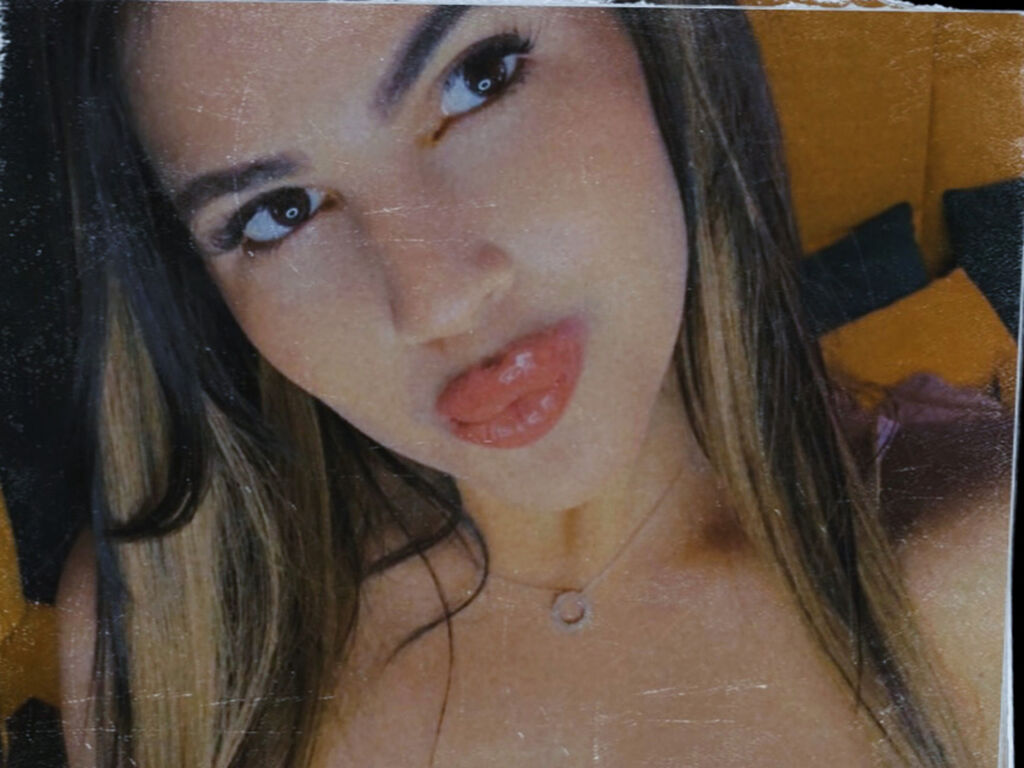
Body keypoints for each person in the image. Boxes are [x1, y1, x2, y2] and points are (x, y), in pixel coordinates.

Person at [34, 1, 1010, 766]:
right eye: (278, 211)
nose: (437, 301)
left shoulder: (976, 581)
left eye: (479, 78)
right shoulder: (174, 638)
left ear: (654, 33)